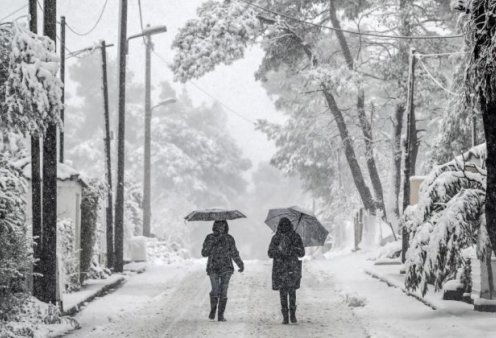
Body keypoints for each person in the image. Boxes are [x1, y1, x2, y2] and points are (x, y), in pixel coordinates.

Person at [201, 220, 244, 322]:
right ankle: (213, 309)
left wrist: (240, 264)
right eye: (218, 226)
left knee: (223, 292)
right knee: (215, 290)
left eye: (223, 226)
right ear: (214, 227)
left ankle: (220, 315)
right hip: (213, 268)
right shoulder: (210, 238)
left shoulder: (229, 238)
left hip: (226, 268)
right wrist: (212, 243)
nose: (221, 228)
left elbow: (234, 252)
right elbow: (204, 253)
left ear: (226, 227)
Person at [268, 217, 305, 324]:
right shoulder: (276, 238)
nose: (284, 227)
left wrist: (292, 248)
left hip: (292, 268)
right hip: (280, 269)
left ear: (289, 226)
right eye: (282, 225)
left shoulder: (295, 237)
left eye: (286, 225)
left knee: (291, 292)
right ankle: (285, 316)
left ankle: (292, 315)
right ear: (280, 226)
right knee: (283, 293)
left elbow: (302, 253)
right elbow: (270, 253)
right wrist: (279, 250)